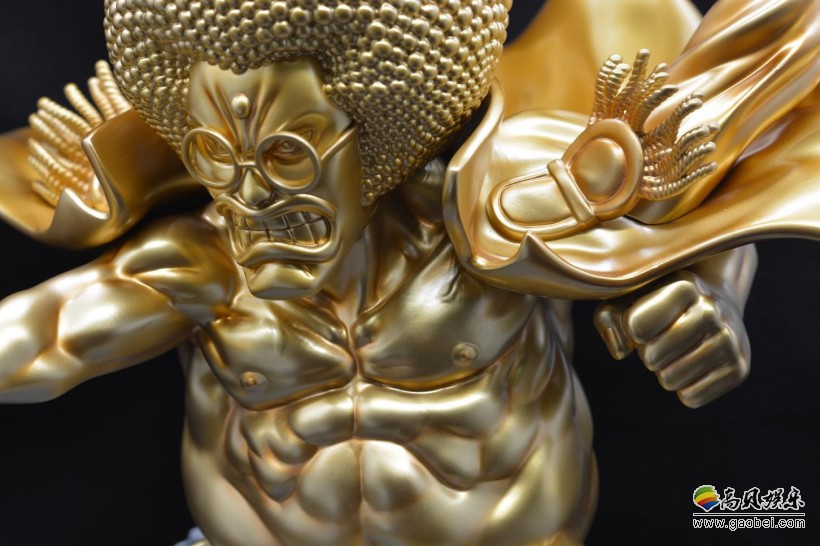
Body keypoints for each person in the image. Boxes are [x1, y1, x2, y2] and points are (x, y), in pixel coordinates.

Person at [0, 1, 816, 544]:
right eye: (218, 155)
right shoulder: (204, 263)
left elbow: (700, 208)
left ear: (373, 141)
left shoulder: (501, 216)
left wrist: (712, 301)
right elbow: (46, 337)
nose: (248, 194)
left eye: (286, 156)